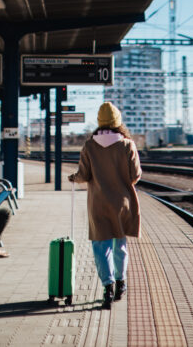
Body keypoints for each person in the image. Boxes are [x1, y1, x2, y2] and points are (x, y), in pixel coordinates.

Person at [68, 102, 142, 310]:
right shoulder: (127, 144)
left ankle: (107, 287)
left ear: (99, 122)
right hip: (122, 203)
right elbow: (135, 176)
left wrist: (73, 178)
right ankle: (121, 283)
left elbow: (83, 176)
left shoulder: (90, 145)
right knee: (120, 244)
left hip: (98, 203)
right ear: (118, 122)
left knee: (101, 246)